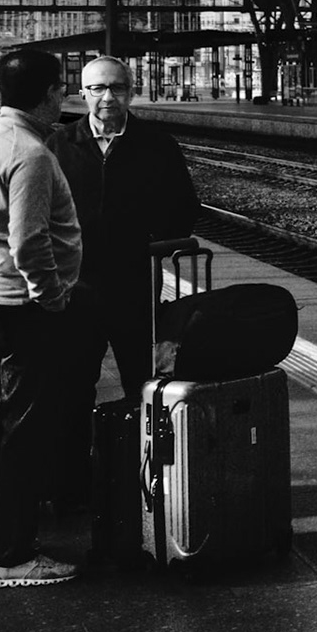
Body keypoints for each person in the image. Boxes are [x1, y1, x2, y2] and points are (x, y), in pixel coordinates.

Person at [0, 48, 83, 588]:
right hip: (21, 308)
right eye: (61, 88)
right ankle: (11, 557)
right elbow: (29, 241)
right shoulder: (29, 153)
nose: (65, 96)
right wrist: (50, 297)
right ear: (46, 93)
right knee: (23, 435)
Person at [47, 56, 202, 491]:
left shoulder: (156, 144)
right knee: (74, 383)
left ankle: (146, 476)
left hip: (136, 281)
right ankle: (73, 480)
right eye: (98, 88)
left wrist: (153, 240)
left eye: (116, 88)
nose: (107, 97)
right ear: (83, 93)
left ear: (131, 92)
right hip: (77, 286)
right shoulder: (61, 145)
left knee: (144, 382)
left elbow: (185, 207)